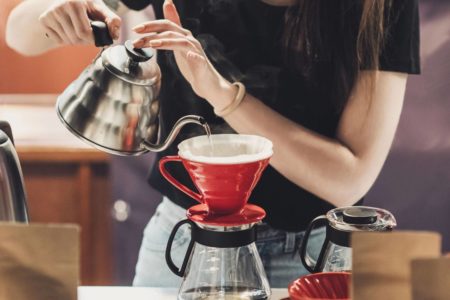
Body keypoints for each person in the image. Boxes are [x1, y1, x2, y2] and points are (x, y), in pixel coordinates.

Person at [6, 0, 420, 288]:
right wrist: (56, 14)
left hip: (317, 253)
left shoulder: (379, 7)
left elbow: (347, 177)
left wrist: (222, 93)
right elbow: (19, 35)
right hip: (186, 237)